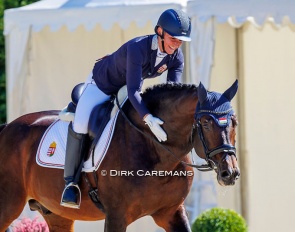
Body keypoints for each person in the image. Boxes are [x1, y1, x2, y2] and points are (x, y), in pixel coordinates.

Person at [60, 8, 192, 209]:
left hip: (124, 88)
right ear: (159, 31)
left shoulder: (176, 57)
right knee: (80, 123)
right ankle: (70, 183)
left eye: (181, 40)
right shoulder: (138, 48)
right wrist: (148, 117)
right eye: (173, 38)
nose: (176, 43)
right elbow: (134, 91)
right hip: (102, 85)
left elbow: (170, 92)